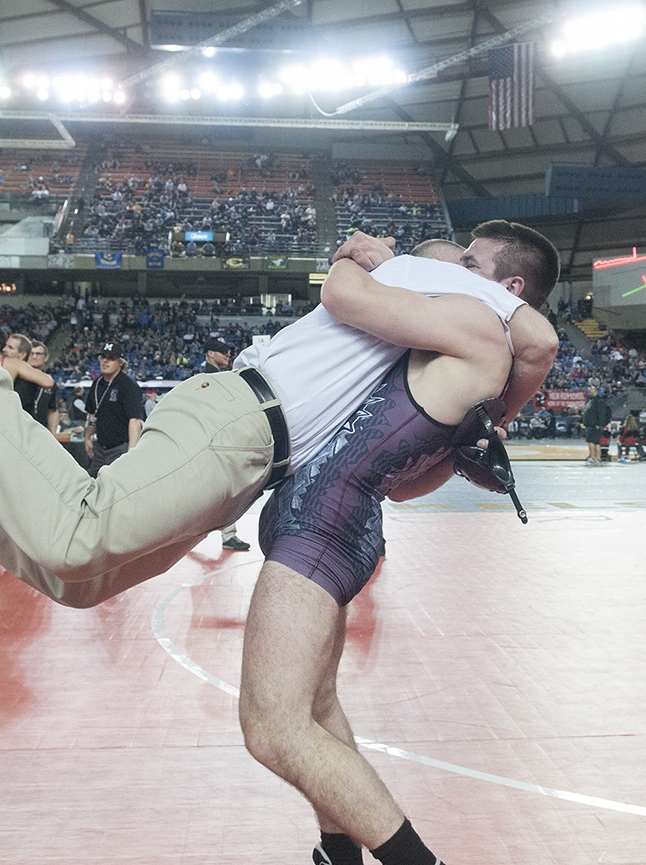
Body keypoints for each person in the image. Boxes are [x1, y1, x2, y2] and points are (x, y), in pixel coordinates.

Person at [0, 221, 559, 611]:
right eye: (463, 255)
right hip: (242, 419)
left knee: (78, 583)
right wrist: (501, 419)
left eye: (474, 254)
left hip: (251, 454)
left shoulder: (442, 337)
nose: (462, 257)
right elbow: (542, 340)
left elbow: (402, 481)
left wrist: (474, 422)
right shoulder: (454, 285)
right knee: (79, 535)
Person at [239, 237, 539, 865]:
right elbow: (404, 490)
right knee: (315, 708)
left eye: (468, 264)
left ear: (506, 291)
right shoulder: (446, 351)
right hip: (338, 520)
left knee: (272, 728)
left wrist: (354, 255)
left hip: (320, 524)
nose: (453, 269)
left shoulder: (479, 332)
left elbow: (538, 337)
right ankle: (337, 852)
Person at [201, 337, 251, 552]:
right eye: (222, 351)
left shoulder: (219, 376)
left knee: (219, 491)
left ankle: (227, 534)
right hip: (214, 442)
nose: (227, 355)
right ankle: (227, 534)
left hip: (218, 441)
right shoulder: (205, 378)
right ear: (210, 354)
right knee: (223, 490)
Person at [83, 341, 144, 477]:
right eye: (103, 357)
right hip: (100, 448)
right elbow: (92, 414)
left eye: (111, 358)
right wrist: (87, 438)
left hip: (120, 448)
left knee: (120, 486)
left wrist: (132, 452)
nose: (105, 361)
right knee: (92, 483)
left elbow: (134, 420)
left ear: (120, 362)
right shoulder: (97, 384)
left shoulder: (128, 386)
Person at [28, 340, 61, 433]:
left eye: (38, 354)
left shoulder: (49, 383)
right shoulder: (17, 380)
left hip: (40, 432)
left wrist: (53, 435)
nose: (34, 357)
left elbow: (52, 410)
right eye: (31, 353)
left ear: (46, 357)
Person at [580, 385, 610, 465]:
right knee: (596, 442)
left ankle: (593, 457)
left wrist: (599, 423)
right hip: (591, 424)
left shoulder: (599, 401)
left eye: (591, 391)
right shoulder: (591, 401)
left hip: (594, 425)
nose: (589, 393)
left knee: (591, 441)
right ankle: (597, 457)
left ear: (595, 391)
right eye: (589, 391)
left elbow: (601, 413)